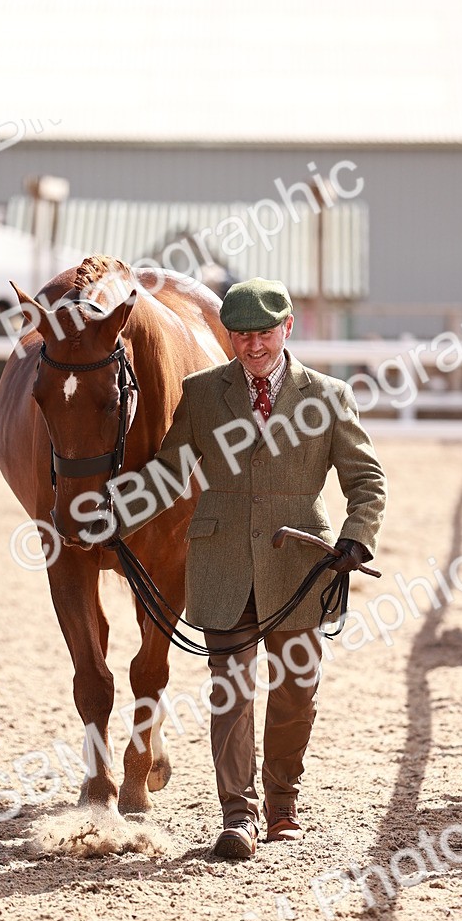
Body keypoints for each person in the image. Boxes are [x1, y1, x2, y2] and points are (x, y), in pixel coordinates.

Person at [111, 278, 387, 860]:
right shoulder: (202, 393)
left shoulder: (329, 396)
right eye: (240, 335)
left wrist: (356, 538)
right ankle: (238, 814)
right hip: (222, 560)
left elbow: (366, 479)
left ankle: (283, 802)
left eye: (264, 333)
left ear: (287, 328)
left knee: (295, 693)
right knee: (230, 690)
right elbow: (168, 473)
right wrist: (111, 517)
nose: (252, 346)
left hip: (301, 564)